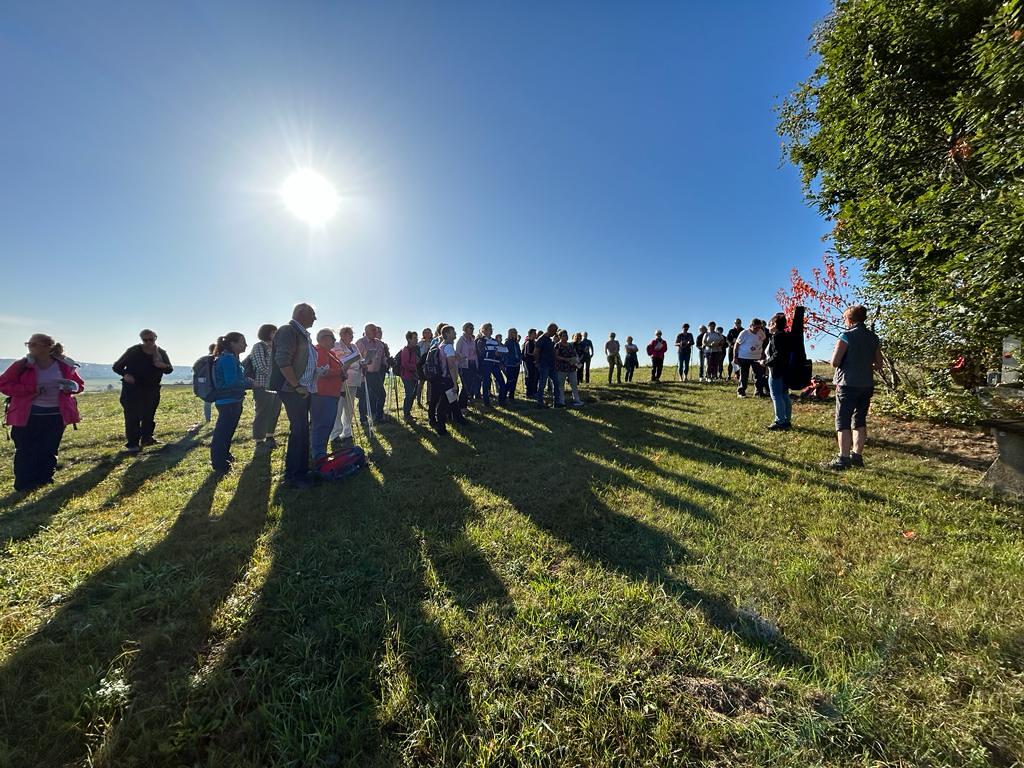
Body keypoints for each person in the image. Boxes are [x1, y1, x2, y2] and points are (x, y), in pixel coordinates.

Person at [0, 334, 84, 492]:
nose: (29, 347)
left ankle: (45, 480)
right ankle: (24, 485)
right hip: (27, 416)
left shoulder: (64, 365)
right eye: (28, 344)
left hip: (56, 415)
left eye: (33, 344)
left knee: (49, 449)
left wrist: (71, 387)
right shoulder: (22, 365)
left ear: (47, 347)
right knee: (25, 450)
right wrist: (30, 389)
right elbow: (3, 384)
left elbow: (79, 385)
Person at [828, 305, 883, 470]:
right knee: (859, 420)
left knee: (843, 420)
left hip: (847, 384)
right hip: (866, 384)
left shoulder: (846, 336)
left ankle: (843, 458)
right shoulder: (873, 337)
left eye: (845, 318)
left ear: (850, 319)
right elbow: (879, 364)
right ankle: (857, 456)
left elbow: (835, 362)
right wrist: (864, 364)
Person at [270, 302, 318, 489]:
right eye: (312, 314)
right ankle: (295, 475)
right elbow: (282, 360)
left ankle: (300, 470)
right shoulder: (288, 331)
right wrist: (296, 385)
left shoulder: (302, 334)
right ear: (300, 313)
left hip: (303, 389)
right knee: (300, 431)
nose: (315, 318)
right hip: (294, 390)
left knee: (301, 430)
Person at [112, 329, 173, 453]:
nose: (149, 342)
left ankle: (147, 438)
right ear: (142, 340)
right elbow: (117, 366)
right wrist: (125, 375)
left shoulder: (161, 352)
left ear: (155, 338)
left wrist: (163, 366)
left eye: (151, 339)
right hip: (132, 389)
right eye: (145, 340)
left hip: (152, 389)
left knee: (149, 415)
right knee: (132, 416)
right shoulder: (133, 351)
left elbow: (169, 369)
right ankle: (133, 443)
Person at [210, 332, 251, 473]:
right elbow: (231, 382)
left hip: (230, 400)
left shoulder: (229, 358)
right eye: (242, 342)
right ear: (232, 343)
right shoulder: (228, 359)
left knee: (227, 432)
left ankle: (225, 456)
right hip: (229, 401)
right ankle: (219, 463)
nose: (245, 345)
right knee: (223, 433)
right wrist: (250, 383)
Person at [310, 328, 344, 464]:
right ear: (324, 338)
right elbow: (322, 371)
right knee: (322, 425)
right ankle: (319, 455)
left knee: (327, 424)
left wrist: (341, 373)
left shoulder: (330, 353)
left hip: (331, 393)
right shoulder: (319, 351)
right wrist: (340, 371)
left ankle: (320, 453)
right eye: (332, 338)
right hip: (323, 394)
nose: (335, 341)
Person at [249, 324, 281, 449]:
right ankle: (259, 440)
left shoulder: (277, 347)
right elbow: (260, 366)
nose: (277, 335)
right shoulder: (259, 346)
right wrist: (277, 374)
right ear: (268, 333)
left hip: (276, 386)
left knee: (274, 411)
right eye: (274, 332)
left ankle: (270, 436)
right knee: (262, 412)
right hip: (262, 385)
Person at [428, 325, 462, 436]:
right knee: (443, 404)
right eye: (453, 332)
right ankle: (441, 429)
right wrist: (454, 383)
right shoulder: (448, 347)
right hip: (447, 379)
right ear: (447, 334)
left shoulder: (441, 345)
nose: (455, 333)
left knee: (450, 400)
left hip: (439, 378)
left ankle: (458, 419)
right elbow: (451, 366)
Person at [330, 325, 360, 447]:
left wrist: (363, 363)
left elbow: (358, 359)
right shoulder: (336, 345)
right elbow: (339, 361)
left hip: (354, 380)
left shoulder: (354, 346)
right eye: (350, 334)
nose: (352, 336)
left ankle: (347, 432)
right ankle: (335, 434)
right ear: (343, 334)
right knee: (338, 408)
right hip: (342, 380)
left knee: (349, 407)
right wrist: (352, 362)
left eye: (352, 334)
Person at [763, 313, 794, 431]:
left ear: (775, 324)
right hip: (785, 370)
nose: (768, 326)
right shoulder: (786, 336)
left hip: (776, 370)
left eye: (770, 324)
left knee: (776, 395)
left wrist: (765, 362)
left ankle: (779, 421)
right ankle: (786, 420)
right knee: (784, 395)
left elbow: (777, 355)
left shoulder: (776, 337)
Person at [356, 324, 388, 425]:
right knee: (363, 397)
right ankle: (363, 419)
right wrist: (363, 362)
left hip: (375, 374)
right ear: (366, 331)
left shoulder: (379, 344)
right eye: (373, 330)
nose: (375, 332)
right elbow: (356, 358)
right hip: (363, 374)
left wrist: (388, 362)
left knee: (381, 394)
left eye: (376, 330)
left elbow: (383, 358)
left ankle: (378, 416)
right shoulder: (361, 342)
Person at [734, 319, 767, 398]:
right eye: (756, 328)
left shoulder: (761, 332)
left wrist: (763, 353)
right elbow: (736, 345)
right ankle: (741, 392)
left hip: (757, 357)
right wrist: (735, 357)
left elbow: (764, 342)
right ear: (751, 326)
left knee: (759, 375)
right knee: (744, 375)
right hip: (744, 357)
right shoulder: (744, 333)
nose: (757, 329)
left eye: (759, 327)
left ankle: (758, 392)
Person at [477, 323, 507, 406]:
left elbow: (500, 351)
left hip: (495, 363)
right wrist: (493, 352)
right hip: (486, 363)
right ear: (484, 330)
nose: (491, 330)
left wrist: (499, 354)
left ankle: (502, 401)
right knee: (486, 383)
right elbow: (481, 353)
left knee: (501, 382)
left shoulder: (495, 341)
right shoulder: (481, 341)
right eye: (489, 329)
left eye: (491, 329)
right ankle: (486, 402)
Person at [554, 330, 584, 407]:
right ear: (560, 337)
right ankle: (561, 401)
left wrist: (576, 359)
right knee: (561, 385)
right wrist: (565, 359)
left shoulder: (570, 345)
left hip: (572, 368)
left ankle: (576, 400)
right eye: (564, 335)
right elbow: (556, 356)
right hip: (561, 368)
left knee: (574, 384)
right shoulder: (558, 345)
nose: (566, 337)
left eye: (566, 335)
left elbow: (575, 354)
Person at [397, 331, 421, 423]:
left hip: (413, 375)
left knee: (412, 395)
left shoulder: (414, 350)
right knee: (409, 394)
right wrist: (415, 367)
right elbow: (405, 364)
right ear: (409, 339)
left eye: (416, 338)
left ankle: (408, 414)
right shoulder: (406, 350)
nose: (416, 340)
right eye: (414, 338)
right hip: (407, 376)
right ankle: (406, 415)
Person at [535, 323, 559, 407]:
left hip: (552, 365)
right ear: (550, 330)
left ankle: (556, 402)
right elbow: (536, 352)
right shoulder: (541, 339)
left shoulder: (549, 339)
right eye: (555, 331)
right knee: (542, 384)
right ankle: (540, 403)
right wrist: (537, 363)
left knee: (556, 382)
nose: (555, 333)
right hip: (544, 365)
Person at [456, 322, 479, 411]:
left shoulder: (472, 340)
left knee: (470, 386)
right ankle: (461, 406)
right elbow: (457, 352)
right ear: (465, 329)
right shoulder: (461, 340)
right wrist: (463, 358)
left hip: (472, 364)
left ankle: (464, 404)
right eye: (470, 328)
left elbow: (475, 353)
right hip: (464, 365)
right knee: (465, 386)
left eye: (473, 328)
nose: (472, 330)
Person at [504, 328, 523, 402]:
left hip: (517, 365)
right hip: (510, 364)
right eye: (513, 332)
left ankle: (511, 396)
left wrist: (520, 359)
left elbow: (519, 353)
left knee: (515, 380)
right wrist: (514, 361)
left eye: (515, 332)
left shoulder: (516, 343)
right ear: (510, 334)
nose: (515, 334)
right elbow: (507, 354)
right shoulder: (507, 343)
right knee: (510, 380)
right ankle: (504, 395)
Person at [416, 327, 433, 409]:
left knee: (430, 384)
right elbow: (416, 353)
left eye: (428, 332)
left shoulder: (433, 342)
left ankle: (429, 400)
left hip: (430, 365)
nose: (427, 334)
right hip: (421, 365)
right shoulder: (420, 343)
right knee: (421, 383)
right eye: (425, 332)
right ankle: (418, 400)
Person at [522, 328, 539, 399]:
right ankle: (529, 394)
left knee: (534, 378)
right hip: (529, 363)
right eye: (534, 333)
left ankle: (533, 392)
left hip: (534, 363)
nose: (536, 334)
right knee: (531, 378)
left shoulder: (534, 342)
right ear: (531, 334)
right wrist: (535, 356)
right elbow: (527, 353)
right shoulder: (528, 342)